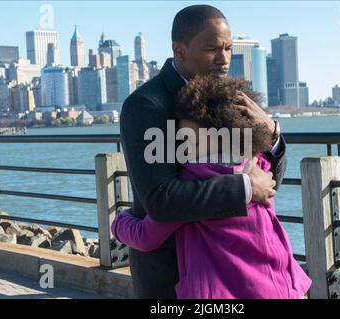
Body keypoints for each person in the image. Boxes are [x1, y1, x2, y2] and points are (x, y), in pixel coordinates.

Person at [119, 4, 287, 298]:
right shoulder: (147, 104)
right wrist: (246, 187)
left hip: (242, 272)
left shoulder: (235, 97)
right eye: (212, 49)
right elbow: (160, 200)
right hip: (173, 278)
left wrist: (272, 135)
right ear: (179, 50)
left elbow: (268, 186)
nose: (224, 59)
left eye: (228, 48)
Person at [113, 75, 312, 298]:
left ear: (223, 136)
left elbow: (146, 237)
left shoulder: (193, 179)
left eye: (192, 141)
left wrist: (119, 222)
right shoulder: (258, 165)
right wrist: (272, 133)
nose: (184, 148)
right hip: (278, 286)